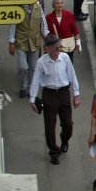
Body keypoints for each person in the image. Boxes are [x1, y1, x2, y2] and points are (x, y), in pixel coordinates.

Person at [29, 34, 82, 164]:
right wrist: (32, 99)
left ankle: (65, 140)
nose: (59, 50)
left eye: (59, 47)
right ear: (48, 49)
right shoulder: (41, 62)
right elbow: (35, 81)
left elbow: (72, 75)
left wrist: (76, 94)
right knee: (49, 126)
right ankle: (54, 152)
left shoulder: (64, 58)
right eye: (56, 48)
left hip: (64, 93)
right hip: (49, 95)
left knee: (68, 124)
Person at [9, 0, 48, 98]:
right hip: (21, 41)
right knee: (23, 67)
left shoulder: (39, 7)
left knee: (33, 67)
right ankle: (23, 87)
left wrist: (47, 41)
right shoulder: (19, 7)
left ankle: (31, 88)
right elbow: (13, 25)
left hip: (35, 42)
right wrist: (11, 42)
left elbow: (44, 25)